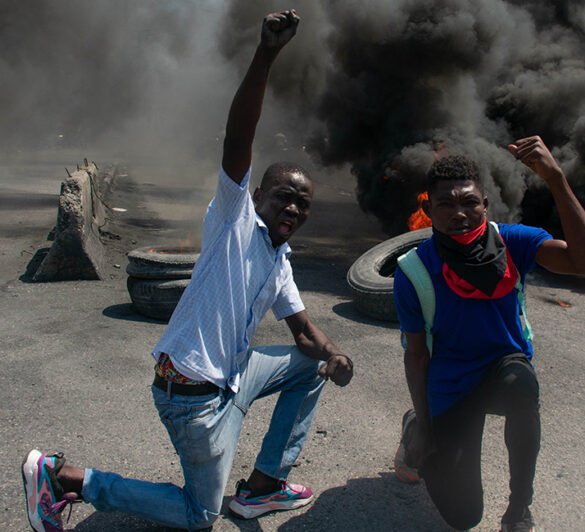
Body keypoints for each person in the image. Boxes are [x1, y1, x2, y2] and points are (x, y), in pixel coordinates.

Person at [21, 10, 354, 532]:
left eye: (302, 205)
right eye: (283, 198)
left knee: (309, 365)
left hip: (231, 378)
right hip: (193, 397)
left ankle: (263, 489)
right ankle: (67, 479)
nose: (292, 209)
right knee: (199, 515)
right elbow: (236, 139)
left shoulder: (277, 259)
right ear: (259, 196)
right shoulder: (234, 218)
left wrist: (335, 355)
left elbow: (305, 333)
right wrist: (266, 54)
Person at [392, 140, 585, 532]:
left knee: (522, 385)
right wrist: (425, 424)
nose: (460, 214)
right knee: (463, 516)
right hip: (451, 386)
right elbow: (417, 356)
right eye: (446, 205)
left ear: (485, 204)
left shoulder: (515, 241)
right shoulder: (414, 272)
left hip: (502, 372)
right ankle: (411, 428)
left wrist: (556, 179)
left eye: (469, 203)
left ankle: (519, 509)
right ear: (427, 211)